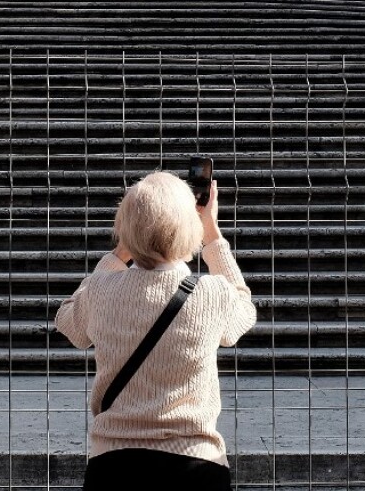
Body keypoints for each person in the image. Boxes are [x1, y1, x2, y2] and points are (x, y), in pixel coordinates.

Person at [55, 171, 256, 491]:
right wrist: (213, 235)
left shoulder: (100, 291)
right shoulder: (213, 293)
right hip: (196, 465)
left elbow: (69, 323)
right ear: (190, 226)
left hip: (114, 464)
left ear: (123, 228)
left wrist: (119, 254)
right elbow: (244, 311)